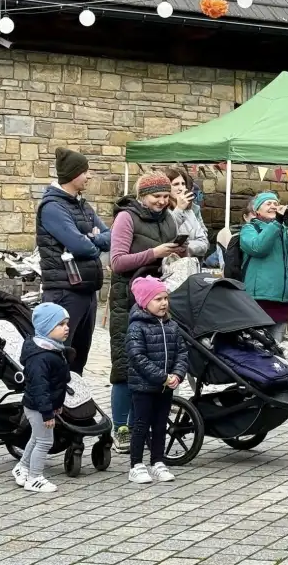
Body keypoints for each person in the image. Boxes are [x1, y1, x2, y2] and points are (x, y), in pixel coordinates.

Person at [108, 172, 180, 454]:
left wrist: (177, 252)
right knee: (126, 365)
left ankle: (147, 424)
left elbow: (168, 253)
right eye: (156, 197)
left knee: (157, 361)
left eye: (165, 196)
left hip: (158, 297)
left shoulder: (168, 218)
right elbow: (117, 262)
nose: (162, 201)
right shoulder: (126, 218)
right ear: (142, 196)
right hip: (128, 299)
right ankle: (121, 427)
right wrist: (154, 253)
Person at [36, 148, 110, 375]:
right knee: (61, 358)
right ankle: (55, 407)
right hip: (64, 291)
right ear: (71, 174)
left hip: (87, 290)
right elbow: (81, 246)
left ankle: (75, 407)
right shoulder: (52, 207)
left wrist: (93, 237)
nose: (89, 176)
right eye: (85, 172)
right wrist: (92, 240)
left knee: (79, 359)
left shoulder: (82, 206)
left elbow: (110, 237)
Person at [125, 276, 188, 483]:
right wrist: (162, 377)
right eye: (157, 299)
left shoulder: (172, 325)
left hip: (166, 386)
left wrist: (177, 375)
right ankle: (136, 464)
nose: (163, 303)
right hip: (143, 386)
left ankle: (158, 461)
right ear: (145, 302)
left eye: (165, 298)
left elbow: (181, 352)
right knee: (141, 424)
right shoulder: (137, 327)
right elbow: (137, 357)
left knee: (161, 425)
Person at [11, 303, 71, 493]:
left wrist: (57, 404)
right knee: (45, 441)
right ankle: (35, 478)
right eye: (60, 324)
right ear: (46, 327)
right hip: (38, 406)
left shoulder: (52, 349)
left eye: (67, 323)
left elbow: (57, 383)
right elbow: (40, 388)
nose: (66, 328)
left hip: (43, 405)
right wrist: (47, 412)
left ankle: (22, 466)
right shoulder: (40, 357)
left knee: (37, 438)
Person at [240, 192, 288, 342]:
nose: (273, 206)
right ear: (257, 210)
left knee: (276, 348)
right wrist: (277, 223)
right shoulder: (249, 229)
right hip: (258, 298)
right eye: (268, 203)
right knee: (256, 346)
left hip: (281, 300)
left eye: (275, 203)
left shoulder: (284, 231)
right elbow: (258, 248)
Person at [165, 168, 209, 258]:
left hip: (189, 263)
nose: (181, 188)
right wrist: (179, 209)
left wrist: (187, 247)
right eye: (176, 184)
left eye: (183, 184)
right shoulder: (161, 211)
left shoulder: (190, 211)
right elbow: (166, 236)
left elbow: (204, 242)